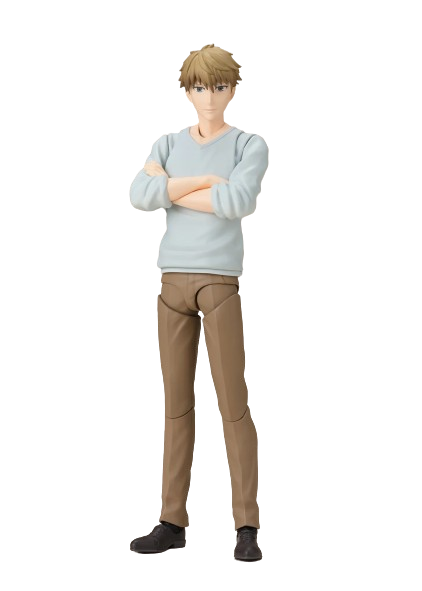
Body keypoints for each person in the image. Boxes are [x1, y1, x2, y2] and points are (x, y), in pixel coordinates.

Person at [128, 44, 269, 562]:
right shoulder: (167, 142)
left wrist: (170, 190)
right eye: (200, 87)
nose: (210, 96)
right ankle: (172, 520)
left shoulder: (250, 144)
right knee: (175, 407)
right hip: (171, 280)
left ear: (233, 89)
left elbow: (239, 202)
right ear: (188, 91)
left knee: (233, 404)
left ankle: (246, 526)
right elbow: (138, 195)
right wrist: (206, 182)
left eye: (220, 86)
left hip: (219, 281)